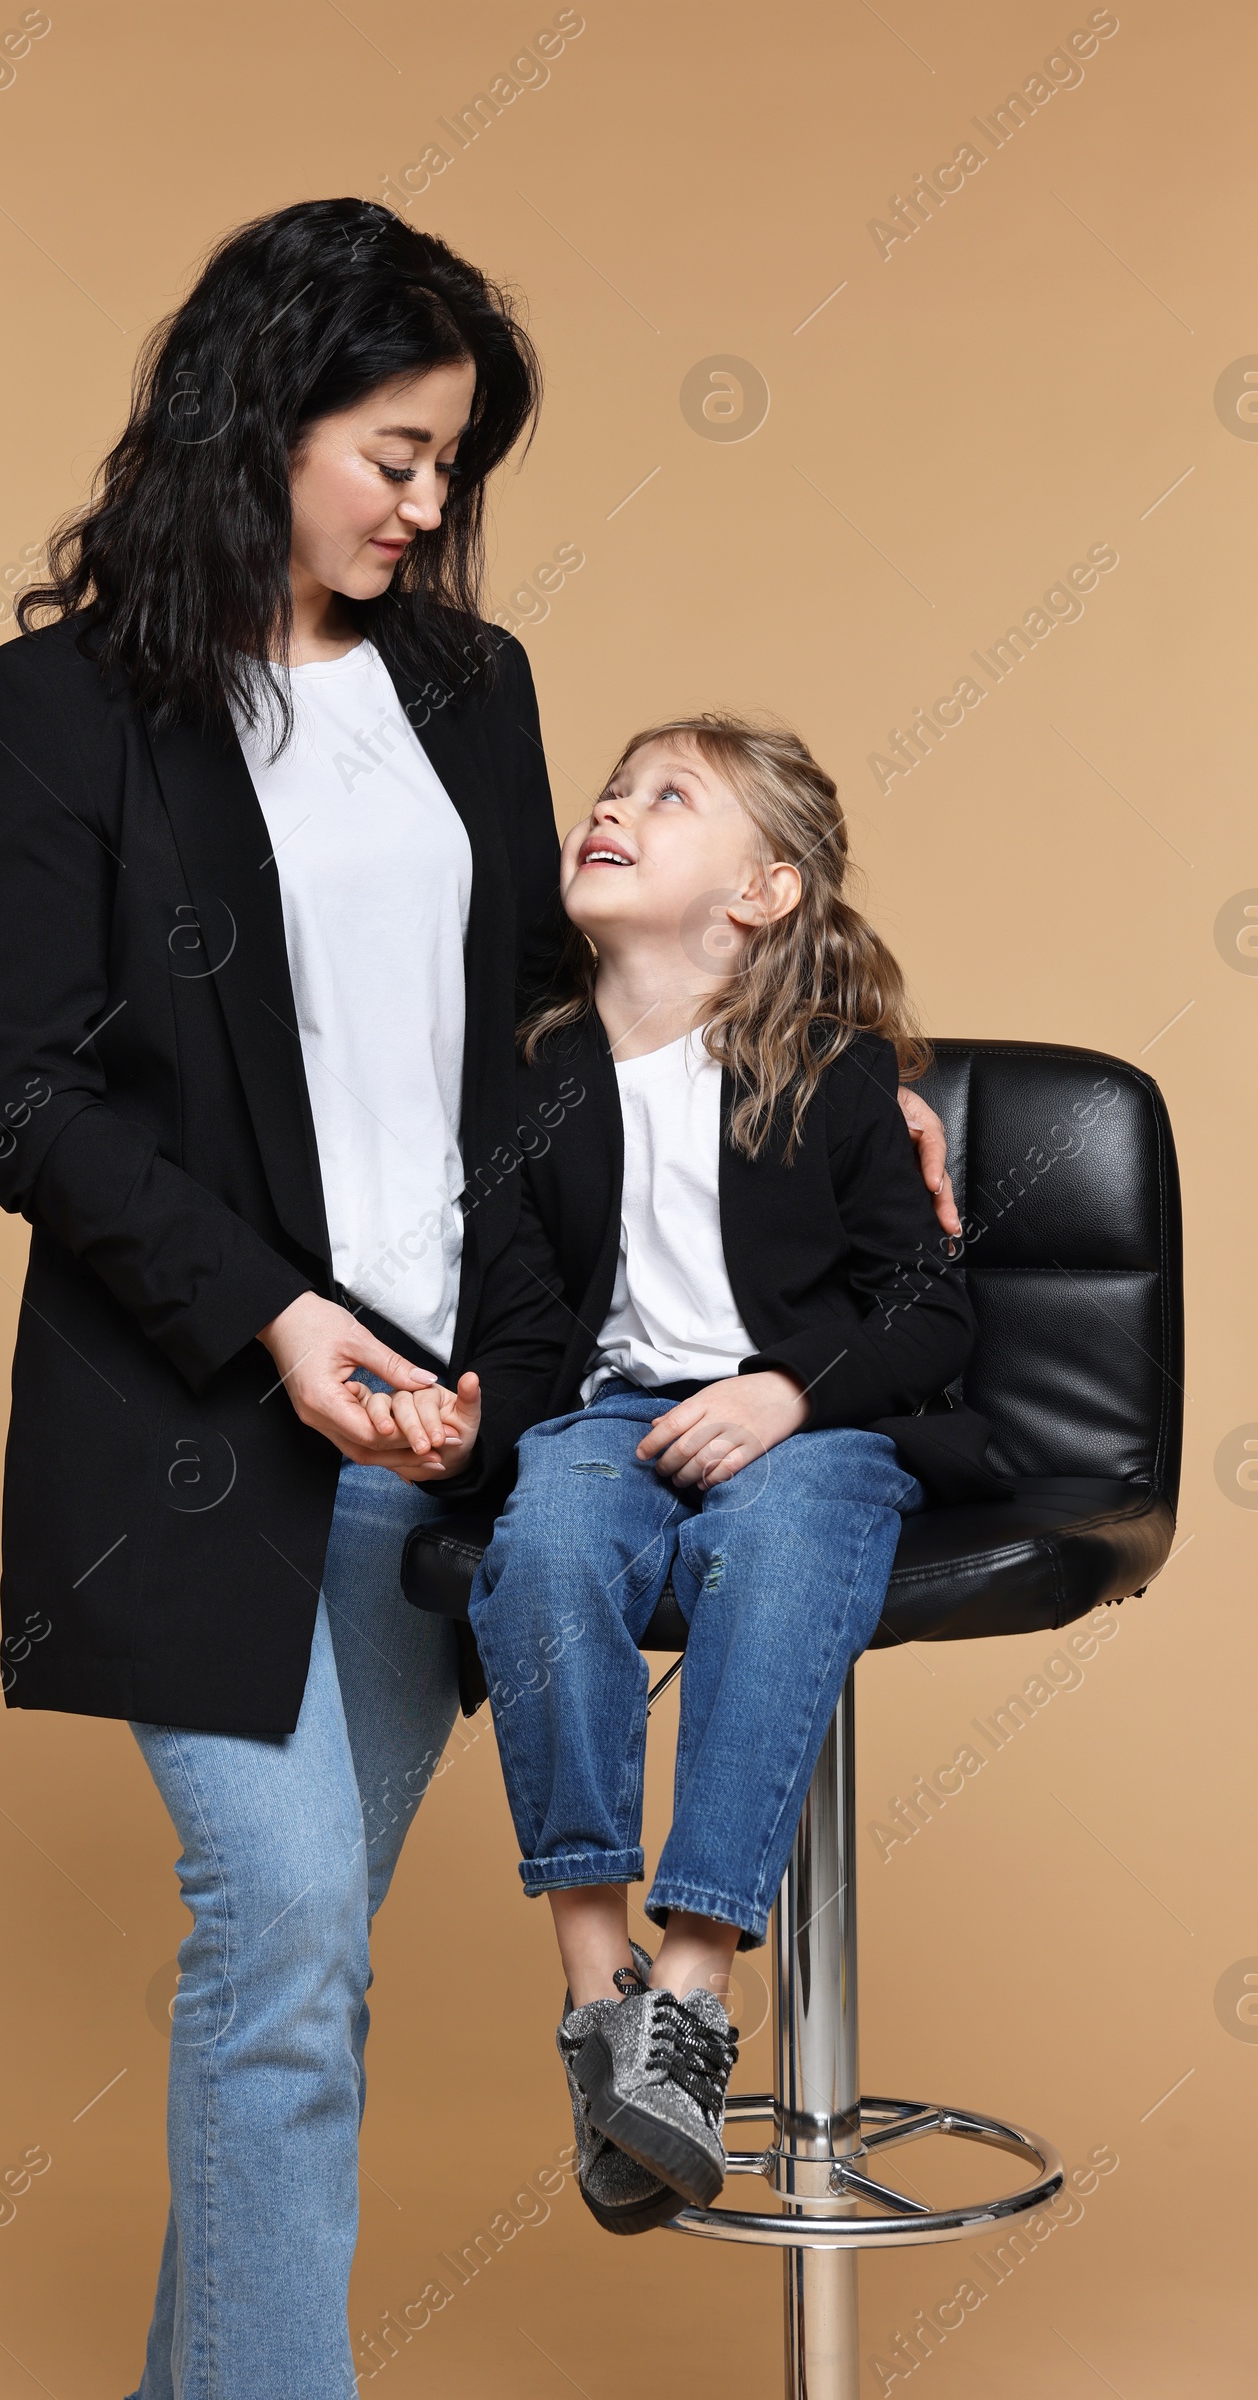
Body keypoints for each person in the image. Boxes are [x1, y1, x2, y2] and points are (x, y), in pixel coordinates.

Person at [0, 196, 958, 2390]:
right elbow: (21, 1098)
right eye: (393, 453)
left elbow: (560, 1016)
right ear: (255, 417)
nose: (428, 505)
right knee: (285, 1936)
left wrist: (844, 1097)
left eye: (450, 468)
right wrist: (277, 1324)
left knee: (291, 1981)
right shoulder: (60, 709)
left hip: (457, 1424)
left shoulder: (462, 686)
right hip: (196, 1420)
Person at [464, 710, 977, 2232]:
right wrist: (478, 1428)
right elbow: (521, 1314)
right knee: (549, 1532)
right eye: (611, 792)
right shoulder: (536, 1075)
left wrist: (787, 1393)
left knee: (786, 1536)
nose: (612, 809)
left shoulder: (830, 1076)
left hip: (805, 1423)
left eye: (666, 799)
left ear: (759, 894)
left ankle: (691, 1990)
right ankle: (598, 1992)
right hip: (615, 1414)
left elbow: (929, 1311)